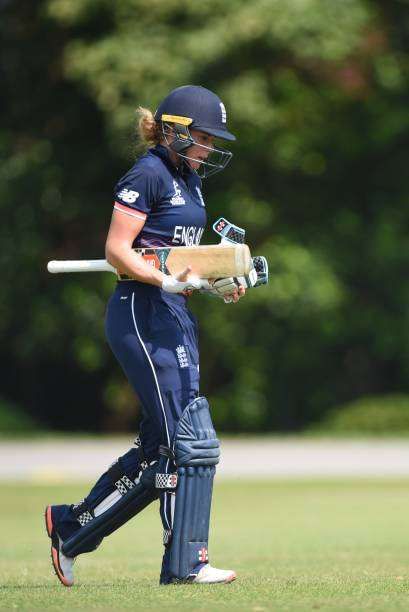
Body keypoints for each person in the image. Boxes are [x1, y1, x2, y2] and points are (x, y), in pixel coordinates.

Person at [45, 85, 245, 586]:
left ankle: (73, 526)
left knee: (165, 444)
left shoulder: (191, 180)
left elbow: (178, 258)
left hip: (172, 309)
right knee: (188, 439)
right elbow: (118, 249)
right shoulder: (148, 173)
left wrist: (217, 279)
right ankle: (186, 563)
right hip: (141, 311)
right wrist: (163, 280)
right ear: (175, 131)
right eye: (203, 137)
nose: (209, 148)